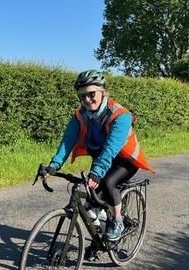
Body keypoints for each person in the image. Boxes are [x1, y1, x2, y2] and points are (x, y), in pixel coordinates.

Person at [42, 69, 155, 243]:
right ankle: (100, 241)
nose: (87, 100)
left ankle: (118, 221)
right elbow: (68, 140)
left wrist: (97, 171)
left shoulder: (120, 115)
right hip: (102, 160)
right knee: (92, 203)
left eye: (91, 94)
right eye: (83, 96)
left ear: (103, 91)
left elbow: (111, 147)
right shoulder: (81, 114)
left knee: (109, 182)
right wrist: (54, 165)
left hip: (125, 161)